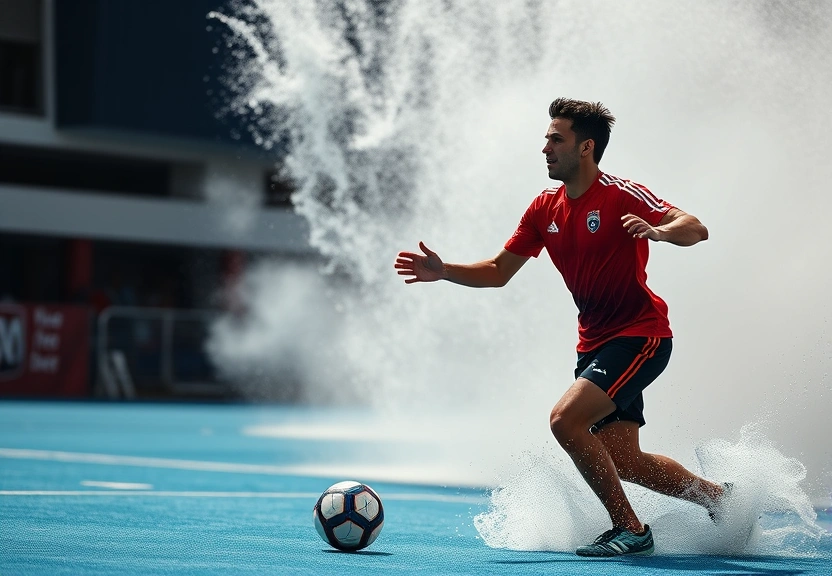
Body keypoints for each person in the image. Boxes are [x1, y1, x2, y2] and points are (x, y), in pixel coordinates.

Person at [394, 97, 727, 557]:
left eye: (556, 139)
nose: (546, 148)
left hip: (640, 336)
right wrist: (444, 268)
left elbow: (695, 227)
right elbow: (496, 270)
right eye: (546, 139)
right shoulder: (543, 208)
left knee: (564, 421)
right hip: (593, 345)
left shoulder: (620, 194)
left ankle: (630, 528)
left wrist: (661, 232)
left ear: (586, 147)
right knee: (625, 460)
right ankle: (718, 499)